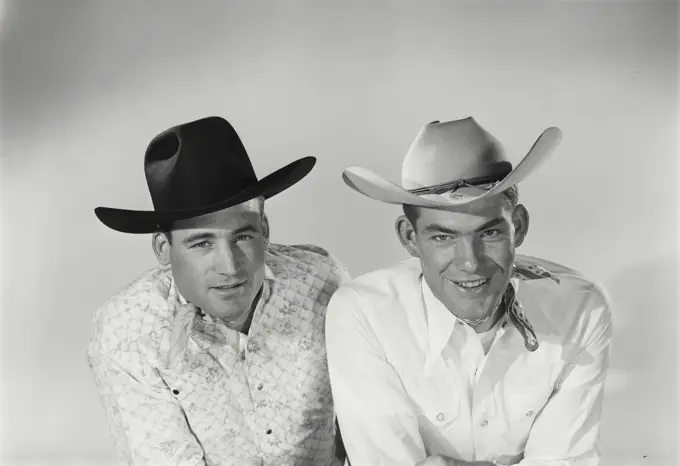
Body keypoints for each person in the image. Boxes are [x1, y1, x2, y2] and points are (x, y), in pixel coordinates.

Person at [326, 117, 613, 466]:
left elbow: (566, 461)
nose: (471, 263)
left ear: (518, 227)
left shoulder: (580, 309)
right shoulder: (362, 313)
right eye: (443, 237)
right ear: (409, 238)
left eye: (489, 234)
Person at [87, 116, 350, 466]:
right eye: (201, 243)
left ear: (265, 229)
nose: (229, 265)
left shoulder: (320, 282)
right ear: (163, 249)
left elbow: (365, 419)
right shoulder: (130, 331)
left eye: (242, 236)